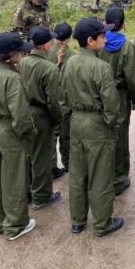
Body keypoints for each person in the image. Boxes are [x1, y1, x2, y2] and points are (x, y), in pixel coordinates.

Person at [60, 18, 124, 236]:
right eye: (102, 36)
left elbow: (64, 97)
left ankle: (77, 220)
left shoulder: (69, 63)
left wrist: (70, 118)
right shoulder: (101, 67)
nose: (105, 39)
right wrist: (110, 124)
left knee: (78, 174)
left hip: (76, 122)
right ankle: (102, 223)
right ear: (90, 40)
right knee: (100, 175)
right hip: (97, 124)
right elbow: (112, 106)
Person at [0, 32, 36, 240]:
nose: (23, 52)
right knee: (13, 177)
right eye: (20, 50)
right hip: (10, 131)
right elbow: (20, 114)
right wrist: (28, 134)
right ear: (12, 55)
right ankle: (15, 224)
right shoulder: (12, 78)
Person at [99, 7, 135, 196]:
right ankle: (119, 177)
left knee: (103, 134)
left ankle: (103, 174)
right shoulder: (127, 46)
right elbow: (132, 77)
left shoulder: (99, 42)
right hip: (120, 95)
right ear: (123, 23)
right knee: (120, 136)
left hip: (100, 95)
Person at [19, 26, 62, 210]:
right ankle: (42, 196)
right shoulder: (49, 68)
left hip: (23, 111)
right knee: (42, 157)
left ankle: (28, 192)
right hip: (41, 115)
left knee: (28, 154)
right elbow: (53, 102)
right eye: (50, 41)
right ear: (46, 45)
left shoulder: (21, 62)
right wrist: (58, 119)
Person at [47, 22, 74, 178]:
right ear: (70, 38)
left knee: (51, 136)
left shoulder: (46, 52)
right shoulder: (74, 56)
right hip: (66, 103)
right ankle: (68, 163)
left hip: (50, 101)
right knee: (66, 136)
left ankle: (51, 167)